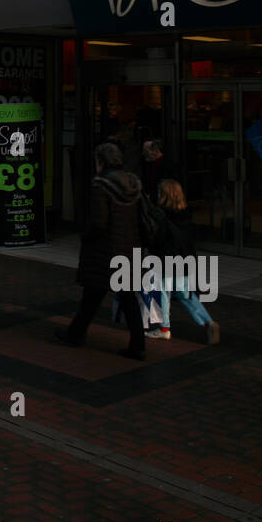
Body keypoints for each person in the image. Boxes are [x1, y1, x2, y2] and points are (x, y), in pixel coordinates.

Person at [56, 141, 146, 360]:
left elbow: (99, 223)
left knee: (92, 296)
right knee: (127, 298)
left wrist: (85, 236)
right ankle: (137, 344)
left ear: (101, 161)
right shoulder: (133, 183)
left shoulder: (101, 186)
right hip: (128, 249)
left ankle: (75, 335)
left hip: (105, 251)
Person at [147, 178, 219, 345]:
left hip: (166, 259)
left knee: (163, 293)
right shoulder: (185, 215)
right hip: (184, 260)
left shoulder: (161, 215)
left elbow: (158, 239)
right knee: (185, 294)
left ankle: (164, 328)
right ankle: (207, 321)